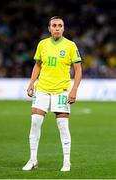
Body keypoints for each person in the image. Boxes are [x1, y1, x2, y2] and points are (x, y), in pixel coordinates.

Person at [22, 16, 82, 172]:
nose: (57, 28)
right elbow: (37, 65)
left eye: (60, 25)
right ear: (49, 28)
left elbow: (78, 69)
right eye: (54, 25)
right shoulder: (42, 44)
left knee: (62, 125)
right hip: (42, 88)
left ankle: (67, 162)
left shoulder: (70, 45)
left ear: (63, 28)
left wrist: (74, 89)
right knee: (35, 121)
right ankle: (33, 159)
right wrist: (31, 83)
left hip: (61, 90)